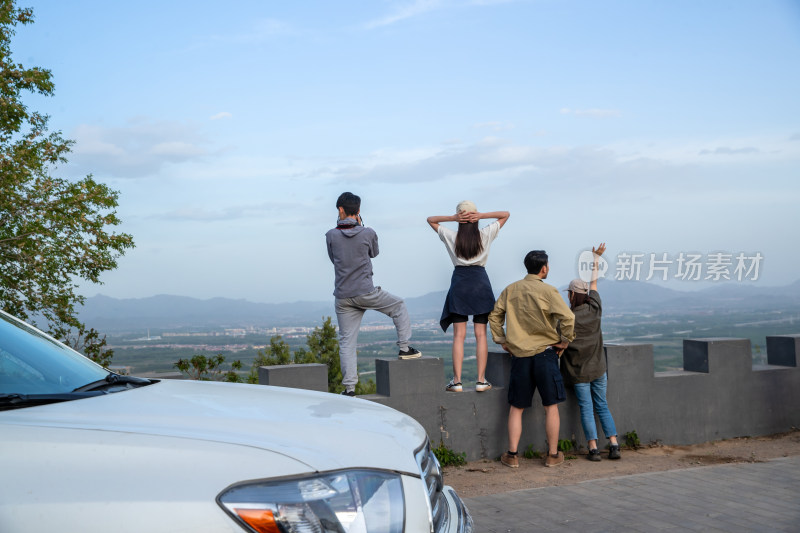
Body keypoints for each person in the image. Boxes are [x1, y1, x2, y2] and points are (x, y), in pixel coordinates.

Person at [325, 192, 421, 396]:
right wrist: (362, 227)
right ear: (358, 211)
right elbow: (374, 253)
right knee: (398, 305)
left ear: (341, 210)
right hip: (366, 291)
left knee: (347, 342)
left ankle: (349, 388)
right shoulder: (368, 232)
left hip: (343, 296)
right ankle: (404, 348)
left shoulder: (331, 235)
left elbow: (334, 259)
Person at [489, 250, 575, 468]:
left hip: (519, 356)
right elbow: (568, 317)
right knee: (551, 407)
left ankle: (512, 455)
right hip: (546, 354)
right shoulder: (548, 291)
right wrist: (565, 340)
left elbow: (495, 315)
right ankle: (553, 456)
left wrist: (502, 340)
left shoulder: (511, 290)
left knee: (516, 408)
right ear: (544, 268)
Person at [426, 202, 510, 393]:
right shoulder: (485, 234)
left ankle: (457, 382)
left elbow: (430, 220)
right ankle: (481, 381)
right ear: (474, 218)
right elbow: (505, 214)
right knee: (481, 335)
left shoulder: (452, 236)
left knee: (459, 336)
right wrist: (481, 215)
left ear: (460, 218)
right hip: (480, 283)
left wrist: (453, 219)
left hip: (460, 283)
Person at [560, 243, 621, 460]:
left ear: (571, 296)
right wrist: (596, 257)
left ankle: (593, 448)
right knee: (602, 405)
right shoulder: (595, 307)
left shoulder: (568, 318)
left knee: (586, 408)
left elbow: (560, 343)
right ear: (585, 294)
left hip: (579, 372)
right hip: (599, 368)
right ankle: (613, 444)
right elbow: (594, 281)